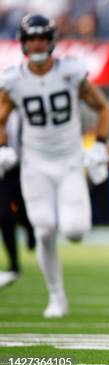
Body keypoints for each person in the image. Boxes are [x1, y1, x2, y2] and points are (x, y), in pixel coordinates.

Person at [0, 14, 109, 318]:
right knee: (44, 228)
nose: (36, 43)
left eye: (41, 38)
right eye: (31, 38)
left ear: (50, 41)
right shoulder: (12, 80)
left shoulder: (71, 72)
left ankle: (69, 233)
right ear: (23, 43)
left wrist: (100, 144)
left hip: (69, 161)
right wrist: (2, 149)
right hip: (34, 164)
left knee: (75, 231)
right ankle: (56, 297)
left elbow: (103, 109)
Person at [0, 112, 35, 288]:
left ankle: (31, 229)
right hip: (5, 172)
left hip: (28, 169)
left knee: (25, 210)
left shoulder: (25, 108)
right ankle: (14, 264)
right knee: (5, 216)